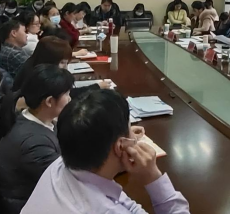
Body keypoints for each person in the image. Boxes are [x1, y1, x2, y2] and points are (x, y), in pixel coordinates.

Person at [21, 89, 188, 214]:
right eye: (129, 128)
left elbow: (119, 201)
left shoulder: (61, 164)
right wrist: (153, 178)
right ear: (120, 146)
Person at [0, 64, 74, 214]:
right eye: (67, 94)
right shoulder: (34, 144)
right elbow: (70, 182)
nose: (70, 99)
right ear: (49, 101)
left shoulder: (32, 118)